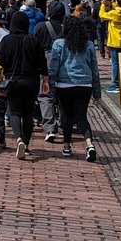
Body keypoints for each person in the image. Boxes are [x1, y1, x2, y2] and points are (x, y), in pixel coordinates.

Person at [48, 14, 101, 161]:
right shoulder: (89, 44)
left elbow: (53, 67)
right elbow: (94, 69)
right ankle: (89, 144)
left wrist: (51, 87)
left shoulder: (59, 44)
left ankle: (66, 146)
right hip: (85, 84)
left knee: (66, 116)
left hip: (64, 84)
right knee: (81, 115)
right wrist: (97, 91)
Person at [0, 11, 49, 160]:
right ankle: (26, 144)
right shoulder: (33, 40)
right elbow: (42, 61)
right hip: (31, 80)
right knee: (28, 113)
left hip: (13, 80)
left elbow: (1, 59)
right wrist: (45, 80)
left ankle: (18, 138)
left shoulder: (7, 40)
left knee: (14, 111)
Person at [33, 1, 66, 143]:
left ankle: (50, 128)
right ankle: (65, 126)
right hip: (65, 63)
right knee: (64, 95)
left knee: (45, 94)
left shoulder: (41, 27)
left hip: (45, 62)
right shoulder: (68, 27)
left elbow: (34, 46)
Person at [99, 0, 121, 94]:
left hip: (114, 42)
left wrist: (103, 4)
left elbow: (101, 15)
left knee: (115, 63)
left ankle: (115, 84)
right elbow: (120, 9)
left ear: (117, 2)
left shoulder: (113, 13)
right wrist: (114, 2)